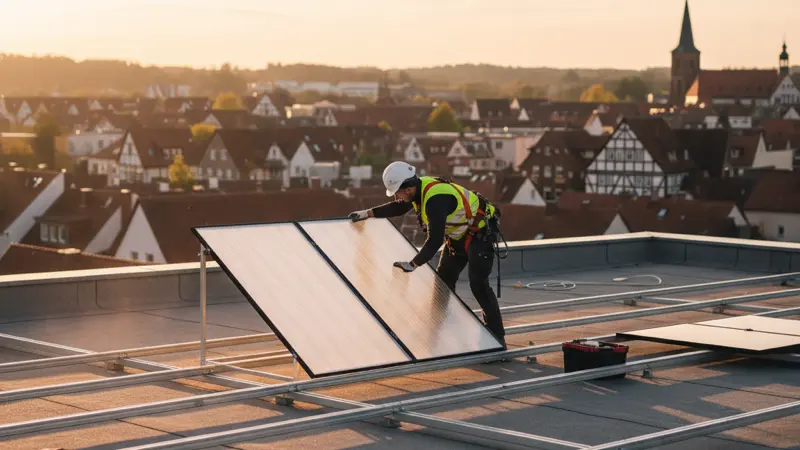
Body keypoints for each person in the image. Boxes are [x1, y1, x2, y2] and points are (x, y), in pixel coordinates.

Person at [348, 161, 506, 348]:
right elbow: (399, 207)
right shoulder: (418, 188)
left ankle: (496, 339)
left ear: (406, 189)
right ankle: (435, 328)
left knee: (478, 283)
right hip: (459, 236)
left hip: (480, 235)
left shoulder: (435, 200)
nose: (397, 197)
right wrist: (369, 213)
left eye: (397, 193)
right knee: (443, 282)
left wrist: (413, 264)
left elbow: (435, 240)